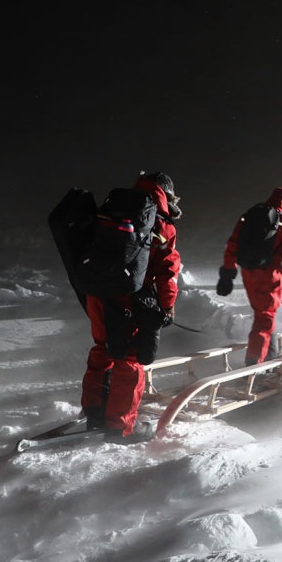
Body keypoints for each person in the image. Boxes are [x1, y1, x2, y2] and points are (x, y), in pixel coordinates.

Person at [81, 171, 182, 442]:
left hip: (98, 295)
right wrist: (167, 307)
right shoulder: (160, 224)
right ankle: (120, 427)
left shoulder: (112, 208)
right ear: (167, 194)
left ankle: (94, 412)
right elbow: (167, 271)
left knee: (103, 349)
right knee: (129, 360)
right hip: (127, 300)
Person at [216, 187, 282, 366]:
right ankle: (254, 364)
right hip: (268, 275)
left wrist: (228, 274)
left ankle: (270, 354)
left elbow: (232, 244)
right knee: (265, 318)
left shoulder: (248, 216)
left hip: (248, 273)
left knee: (262, 314)